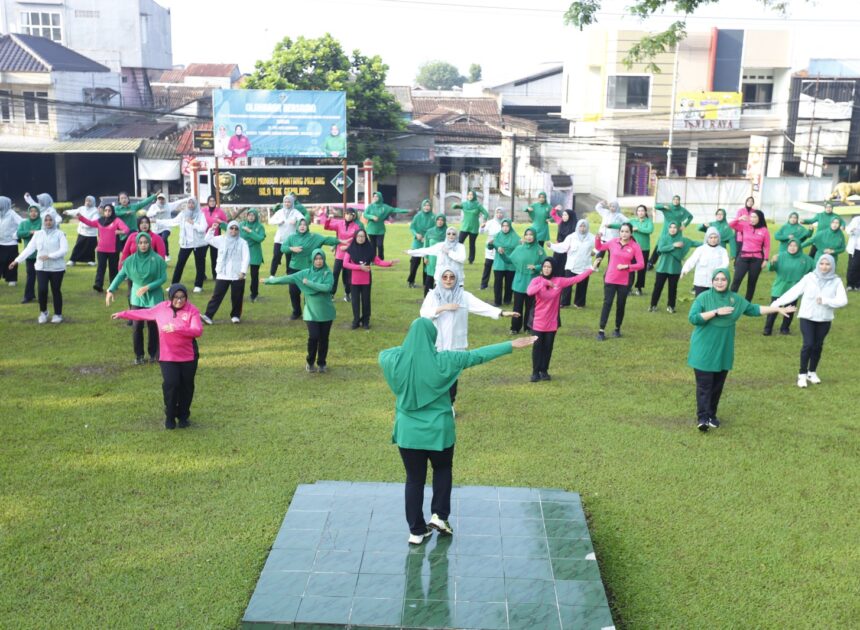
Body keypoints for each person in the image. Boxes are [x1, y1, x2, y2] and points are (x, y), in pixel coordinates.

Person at [379, 317, 536, 544]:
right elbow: (478, 355)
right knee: (442, 469)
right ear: (433, 338)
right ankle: (440, 516)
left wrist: (409, 348)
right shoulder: (447, 360)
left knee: (414, 480)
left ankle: (416, 531)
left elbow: (385, 352)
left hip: (408, 434)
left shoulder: (391, 360)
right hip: (439, 432)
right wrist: (511, 344)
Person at [687, 268, 795, 431]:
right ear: (712, 281)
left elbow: (753, 309)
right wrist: (716, 312)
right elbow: (693, 318)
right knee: (704, 385)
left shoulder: (735, 299)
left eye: (723, 279)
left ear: (728, 281)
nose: (720, 282)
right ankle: (702, 418)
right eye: (717, 279)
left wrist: (777, 309)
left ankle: (711, 415)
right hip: (703, 350)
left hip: (723, 350)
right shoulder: (703, 297)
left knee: (717, 385)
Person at [420, 266, 519, 403]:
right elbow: (423, 313)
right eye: (445, 277)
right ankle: (436, 403)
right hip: (438, 344)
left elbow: (481, 307)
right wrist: (443, 308)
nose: (448, 280)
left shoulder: (463, 296)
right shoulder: (433, 295)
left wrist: (501, 312)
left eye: (452, 277)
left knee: (452, 375)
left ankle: (450, 405)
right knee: (437, 376)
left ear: (456, 279)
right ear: (440, 278)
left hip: (455, 345)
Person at [112, 284, 203, 429]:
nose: (179, 300)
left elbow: (197, 330)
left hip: (188, 356)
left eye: (182, 297)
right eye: (176, 297)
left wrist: (177, 328)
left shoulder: (192, 311)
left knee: (186, 387)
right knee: (171, 384)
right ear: (170, 297)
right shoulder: (161, 308)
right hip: (167, 356)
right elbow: (144, 313)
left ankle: (184, 416)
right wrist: (124, 314)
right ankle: (170, 415)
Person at [771, 254, 848, 388]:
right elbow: (794, 292)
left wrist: (826, 301)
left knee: (818, 345)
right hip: (807, 317)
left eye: (827, 264)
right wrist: (776, 304)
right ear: (818, 264)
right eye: (822, 264)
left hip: (824, 319)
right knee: (808, 344)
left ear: (832, 266)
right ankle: (802, 374)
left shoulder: (836, 281)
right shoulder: (809, 278)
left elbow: (843, 300)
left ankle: (812, 372)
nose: (824, 267)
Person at [265, 249, 337, 372]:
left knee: (324, 339)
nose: (318, 261)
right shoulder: (305, 273)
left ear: (324, 260)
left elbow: (327, 288)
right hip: (311, 313)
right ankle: (310, 362)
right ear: (312, 260)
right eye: (316, 259)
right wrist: (269, 281)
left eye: (320, 259)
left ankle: (321, 363)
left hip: (326, 313)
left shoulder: (327, 273)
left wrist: (308, 283)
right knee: (314, 337)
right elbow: (288, 278)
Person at [527, 258, 594, 381]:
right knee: (537, 347)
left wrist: (592, 268)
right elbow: (529, 292)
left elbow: (576, 279)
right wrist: (544, 283)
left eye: (549, 267)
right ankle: (535, 372)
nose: (547, 269)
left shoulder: (559, 281)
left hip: (552, 322)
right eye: (545, 266)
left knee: (548, 347)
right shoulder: (537, 280)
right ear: (542, 268)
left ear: (554, 269)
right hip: (538, 321)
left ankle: (544, 371)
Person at [106, 233, 168, 363]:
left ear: (150, 243)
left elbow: (163, 278)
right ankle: (139, 356)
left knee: (153, 327)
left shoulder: (158, 260)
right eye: (140, 243)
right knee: (137, 326)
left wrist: (148, 287)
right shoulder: (130, 261)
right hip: (137, 298)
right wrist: (110, 289)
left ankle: (154, 355)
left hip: (154, 298)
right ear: (137, 244)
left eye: (146, 242)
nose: (143, 245)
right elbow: (120, 275)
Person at [9, 212, 68, 323]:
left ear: (54, 221)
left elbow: (64, 250)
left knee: (56, 290)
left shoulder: (60, 234)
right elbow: (29, 249)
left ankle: (58, 314)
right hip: (41, 268)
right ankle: (43, 312)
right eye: (46, 220)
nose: (48, 222)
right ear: (43, 222)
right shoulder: (38, 234)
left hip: (57, 269)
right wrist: (16, 261)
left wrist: (50, 256)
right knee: (42, 290)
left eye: (50, 220)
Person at [282, 219, 343, 320]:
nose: (302, 226)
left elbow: (326, 240)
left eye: (304, 224)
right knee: (293, 291)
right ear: (297, 226)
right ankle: (296, 312)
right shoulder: (292, 237)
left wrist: (340, 241)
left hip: (308, 270)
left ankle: (309, 312)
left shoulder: (313, 237)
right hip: (294, 269)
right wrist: (292, 249)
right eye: (300, 225)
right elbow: (283, 248)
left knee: (309, 292)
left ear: (307, 226)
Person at [594, 223, 644, 340]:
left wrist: (627, 266)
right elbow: (600, 247)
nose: (624, 234)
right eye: (622, 231)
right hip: (610, 278)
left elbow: (641, 264)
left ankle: (617, 328)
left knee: (620, 304)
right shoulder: (613, 242)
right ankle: (601, 330)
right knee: (607, 303)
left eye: (626, 231)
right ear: (619, 232)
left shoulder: (635, 246)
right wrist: (597, 238)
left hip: (624, 281)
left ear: (631, 233)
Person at [343, 228, 397, 329]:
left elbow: (378, 261)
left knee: (366, 301)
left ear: (365, 237)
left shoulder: (370, 249)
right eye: (359, 236)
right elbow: (345, 264)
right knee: (355, 301)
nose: (360, 238)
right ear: (355, 237)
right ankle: (356, 321)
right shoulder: (350, 249)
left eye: (363, 236)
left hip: (366, 280)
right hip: (354, 280)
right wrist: (360, 267)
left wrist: (389, 263)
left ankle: (365, 321)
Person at [496, 227, 545, 333]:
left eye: (531, 234)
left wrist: (536, 267)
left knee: (530, 307)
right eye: (527, 234)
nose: (529, 237)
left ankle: (528, 327)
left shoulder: (539, 250)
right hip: (519, 283)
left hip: (532, 284)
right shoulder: (519, 249)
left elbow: (545, 265)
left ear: (535, 236)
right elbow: (509, 260)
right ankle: (514, 328)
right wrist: (502, 253)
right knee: (517, 307)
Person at [201, 221, 250, 325]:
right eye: (231, 228)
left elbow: (246, 258)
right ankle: (208, 316)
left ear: (238, 230)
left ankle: (236, 316)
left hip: (238, 274)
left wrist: (243, 271)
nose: (233, 230)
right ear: (228, 228)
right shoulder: (221, 239)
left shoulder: (242, 242)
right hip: (223, 273)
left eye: (236, 229)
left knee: (237, 296)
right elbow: (207, 239)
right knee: (217, 295)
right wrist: (212, 229)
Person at [763, 237, 813, 336]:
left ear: (799, 247)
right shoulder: (780, 256)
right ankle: (768, 328)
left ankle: (785, 328)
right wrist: (773, 262)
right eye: (790, 245)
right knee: (774, 307)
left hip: (795, 287)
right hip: (780, 286)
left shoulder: (805, 259)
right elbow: (770, 268)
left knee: (790, 309)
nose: (792, 248)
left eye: (795, 246)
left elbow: (816, 268)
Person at [157, 198, 208, 293]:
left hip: (199, 244)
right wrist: (157, 221)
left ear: (196, 204)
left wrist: (193, 223)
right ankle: (174, 285)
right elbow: (172, 222)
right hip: (186, 243)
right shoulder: (183, 214)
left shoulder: (201, 215)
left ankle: (198, 285)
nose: (191, 205)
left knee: (200, 265)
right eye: (189, 203)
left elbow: (203, 228)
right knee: (180, 264)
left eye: (193, 203)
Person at [77, 204, 131, 292]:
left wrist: (119, 231)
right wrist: (80, 217)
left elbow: (127, 230)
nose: (107, 212)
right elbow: (90, 223)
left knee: (113, 268)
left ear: (112, 211)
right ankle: (98, 285)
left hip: (113, 250)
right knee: (101, 267)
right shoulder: (99, 221)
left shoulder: (117, 220)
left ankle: (113, 285)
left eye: (109, 210)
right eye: (106, 210)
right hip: (101, 249)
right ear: (103, 211)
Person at [649, 222, 700, 313]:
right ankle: (653, 305)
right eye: (671, 227)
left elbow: (695, 243)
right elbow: (660, 249)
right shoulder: (663, 238)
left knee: (673, 288)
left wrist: (710, 241)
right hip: (662, 268)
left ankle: (671, 306)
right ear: (668, 229)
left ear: (678, 229)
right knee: (658, 287)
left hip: (675, 269)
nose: (672, 229)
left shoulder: (683, 240)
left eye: (675, 227)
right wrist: (673, 245)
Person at [549, 219, 596, 309]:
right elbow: (563, 246)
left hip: (584, 266)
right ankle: (564, 302)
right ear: (577, 227)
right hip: (571, 265)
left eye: (584, 226)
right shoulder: (571, 237)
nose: (582, 228)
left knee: (582, 285)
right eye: (580, 226)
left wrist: (595, 251)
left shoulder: (591, 237)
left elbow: (600, 246)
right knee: (567, 284)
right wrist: (551, 245)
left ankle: (579, 303)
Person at [728, 209, 770, 301]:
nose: (752, 219)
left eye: (755, 217)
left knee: (752, 282)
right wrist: (739, 219)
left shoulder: (764, 230)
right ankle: (730, 300)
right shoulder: (745, 226)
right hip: (743, 257)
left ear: (760, 218)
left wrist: (766, 260)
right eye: (751, 217)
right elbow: (730, 225)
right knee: (736, 279)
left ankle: (747, 303)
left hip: (757, 259)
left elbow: (767, 246)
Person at [322, 206, 362, 300]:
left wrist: (348, 247)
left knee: (347, 275)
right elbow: (327, 227)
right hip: (339, 255)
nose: (348, 216)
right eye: (347, 214)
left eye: (350, 214)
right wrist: (328, 220)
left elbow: (357, 241)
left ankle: (347, 293)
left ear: (354, 216)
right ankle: (331, 293)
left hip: (349, 255)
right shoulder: (339, 224)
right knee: (335, 273)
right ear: (344, 215)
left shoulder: (356, 227)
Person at [268, 194, 310, 277]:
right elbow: (270, 221)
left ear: (292, 203)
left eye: (289, 202)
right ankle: (272, 275)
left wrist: (296, 222)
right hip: (279, 240)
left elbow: (303, 220)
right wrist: (278, 221)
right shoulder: (279, 212)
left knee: (289, 258)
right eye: (285, 202)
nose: (287, 204)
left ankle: (289, 275)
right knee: (276, 256)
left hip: (291, 241)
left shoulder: (296, 212)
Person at [681, 227, 729, 297]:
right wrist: (685, 270)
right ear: (707, 238)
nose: (713, 240)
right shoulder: (700, 249)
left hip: (716, 282)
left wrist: (717, 271)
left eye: (715, 237)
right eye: (711, 237)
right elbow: (692, 260)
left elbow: (726, 263)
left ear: (718, 238)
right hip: (701, 281)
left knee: (714, 302)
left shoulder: (722, 251)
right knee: (700, 301)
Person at [362, 191, 410, 259]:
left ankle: (381, 259)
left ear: (380, 197)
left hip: (380, 229)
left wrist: (408, 211)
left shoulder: (385, 207)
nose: (375, 198)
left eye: (377, 196)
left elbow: (395, 210)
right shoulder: (370, 206)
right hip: (371, 229)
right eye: (374, 196)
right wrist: (372, 217)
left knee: (380, 245)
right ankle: (373, 259)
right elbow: (365, 214)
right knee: (373, 245)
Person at [649, 195, 693, 268]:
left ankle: (674, 263)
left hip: (677, 231)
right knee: (660, 244)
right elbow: (656, 206)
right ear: (672, 200)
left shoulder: (682, 210)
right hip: (666, 230)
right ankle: (651, 262)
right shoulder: (668, 207)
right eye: (674, 199)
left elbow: (690, 217)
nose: (676, 201)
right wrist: (663, 207)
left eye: (677, 200)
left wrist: (685, 225)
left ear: (679, 201)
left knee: (676, 245)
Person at [621, 205, 653, 296]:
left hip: (644, 249)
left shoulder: (648, 221)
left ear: (645, 212)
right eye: (639, 211)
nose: (640, 212)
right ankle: (628, 288)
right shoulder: (632, 221)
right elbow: (622, 226)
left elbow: (649, 230)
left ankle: (639, 288)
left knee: (641, 269)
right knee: (630, 268)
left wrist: (638, 229)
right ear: (637, 212)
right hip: (632, 249)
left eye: (642, 211)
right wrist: (610, 225)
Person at [146, 193, 190, 261]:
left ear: (165, 200)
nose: (161, 200)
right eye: (159, 199)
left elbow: (177, 202)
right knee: (155, 242)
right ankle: (155, 257)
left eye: (162, 199)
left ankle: (166, 254)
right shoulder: (153, 207)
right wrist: (156, 212)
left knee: (164, 238)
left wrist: (187, 199)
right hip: (156, 228)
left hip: (166, 227)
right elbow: (148, 214)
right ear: (157, 200)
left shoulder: (168, 205)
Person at [452, 190, 489, 264]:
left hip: (474, 227)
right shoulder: (464, 204)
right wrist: (455, 204)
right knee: (459, 242)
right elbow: (453, 207)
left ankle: (471, 260)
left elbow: (486, 213)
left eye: (471, 195)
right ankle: (457, 257)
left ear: (474, 196)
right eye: (469, 194)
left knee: (472, 244)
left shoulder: (478, 205)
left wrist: (484, 222)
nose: (470, 196)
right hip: (465, 227)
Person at [487, 217, 518, 306]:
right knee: (498, 284)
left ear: (510, 226)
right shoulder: (497, 235)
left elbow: (519, 248)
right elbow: (490, 247)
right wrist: (490, 244)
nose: (505, 228)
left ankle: (507, 300)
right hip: (499, 264)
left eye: (507, 226)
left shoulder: (515, 237)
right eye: (503, 226)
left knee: (509, 283)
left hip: (511, 265)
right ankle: (497, 302)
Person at [408, 199, 437, 289]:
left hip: (428, 243)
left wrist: (427, 238)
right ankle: (411, 281)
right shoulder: (417, 216)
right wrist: (416, 234)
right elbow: (412, 227)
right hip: (417, 243)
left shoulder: (434, 217)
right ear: (422, 206)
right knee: (414, 262)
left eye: (428, 205)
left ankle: (426, 283)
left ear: (431, 207)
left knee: (427, 263)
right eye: (425, 205)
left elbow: (435, 229)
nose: (426, 207)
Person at [238, 208, 266, 302]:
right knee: (241, 274)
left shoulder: (260, 226)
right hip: (243, 252)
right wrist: (221, 223)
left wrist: (250, 232)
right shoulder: (242, 225)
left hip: (255, 253)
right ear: (247, 216)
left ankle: (254, 294)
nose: (251, 217)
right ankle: (238, 293)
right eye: (249, 215)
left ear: (256, 216)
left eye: (253, 215)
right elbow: (232, 230)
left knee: (254, 275)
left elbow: (260, 239)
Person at [63, 196, 99, 266]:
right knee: (78, 246)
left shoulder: (95, 211)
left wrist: (86, 224)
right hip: (82, 232)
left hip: (91, 233)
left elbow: (94, 222)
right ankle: (72, 260)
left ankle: (91, 260)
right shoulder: (82, 208)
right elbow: (75, 211)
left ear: (93, 202)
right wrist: (67, 212)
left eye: (89, 201)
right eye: (86, 201)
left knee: (90, 248)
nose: (87, 203)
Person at [16, 205, 41, 303]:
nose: (33, 213)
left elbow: (46, 231)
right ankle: (28, 296)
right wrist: (30, 232)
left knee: (41, 277)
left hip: (41, 254)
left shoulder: (42, 222)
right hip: (29, 254)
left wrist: (37, 232)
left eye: (35, 211)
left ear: (38, 212)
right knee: (30, 276)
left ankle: (42, 295)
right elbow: (19, 233)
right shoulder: (24, 223)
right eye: (31, 211)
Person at [420, 214, 449, 295]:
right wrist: (425, 257)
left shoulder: (448, 232)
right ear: (435, 221)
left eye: (442, 220)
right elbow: (426, 245)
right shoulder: (429, 231)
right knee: (430, 276)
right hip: (431, 258)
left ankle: (440, 297)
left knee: (441, 277)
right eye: (438, 220)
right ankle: (427, 297)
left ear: (444, 221)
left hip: (443, 259)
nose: (440, 222)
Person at [202, 196, 228, 279]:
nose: (212, 202)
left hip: (215, 238)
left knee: (215, 257)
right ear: (208, 202)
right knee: (202, 257)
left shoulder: (220, 211)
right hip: (204, 237)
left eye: (213, 201)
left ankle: (215, 274)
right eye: (210, 201)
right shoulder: (203, 211)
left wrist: (220, 222)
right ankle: (202, 275)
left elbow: (226, 224)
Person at [594, 199, 627, 265]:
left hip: (612, 239)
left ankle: (610, 267)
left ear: (617, 207)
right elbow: (597, 207)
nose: (611, 208)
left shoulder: (619, 215)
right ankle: (596, 266)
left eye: (613, 206)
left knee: (611, 254)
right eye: (610, 206)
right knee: (600, 252)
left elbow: (627, 222)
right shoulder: (606, 212)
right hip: (603, 237)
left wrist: (614, 226)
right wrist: (602, 203)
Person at [480, 207, 505, 291]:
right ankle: (483, 285)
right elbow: (481, 232)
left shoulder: (505, 223)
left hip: (501, 247)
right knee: (488, 265)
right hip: (490, 246)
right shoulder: (490, 222)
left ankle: (498, 285)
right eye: (498, 212)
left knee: (499, 268)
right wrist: (482, 227)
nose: (499, 214)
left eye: (501, 213)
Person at [0, 196, 23, 287]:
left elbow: (22, 223)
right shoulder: (1, 213)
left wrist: (16, 234)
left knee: (11, 261)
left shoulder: (12, 214)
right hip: (0, 243)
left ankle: (12, 279)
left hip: (11, 243)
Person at [549, 208, 577, 279]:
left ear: (570, 216)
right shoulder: (561, 223)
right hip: (559, 248)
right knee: (556, 264)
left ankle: (564, 282)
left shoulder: (575, 227)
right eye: (563, 215)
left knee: (564, 267)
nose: (563, 217)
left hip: (568, 250)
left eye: (565, 215)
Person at [846, 214, 860, 291]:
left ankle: (858, 285)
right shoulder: (856, 219)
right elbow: (848, 229)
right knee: (853, 266)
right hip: (855, 248)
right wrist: (852, 229)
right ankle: (850, 284)